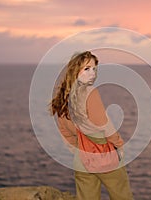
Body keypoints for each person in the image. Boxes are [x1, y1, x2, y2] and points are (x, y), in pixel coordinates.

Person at [50, 51, 133, 200]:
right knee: (122, 195)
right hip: (103, 152)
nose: (92, 73)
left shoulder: (63, 97)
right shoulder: (90, 92)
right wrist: (119, 145)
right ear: (75, 71)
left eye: (94, 68)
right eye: (87, 69)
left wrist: (78, 150)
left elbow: (65, 131)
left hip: (81, 158)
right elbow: (103, 124)